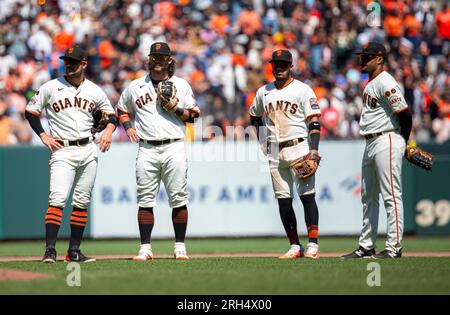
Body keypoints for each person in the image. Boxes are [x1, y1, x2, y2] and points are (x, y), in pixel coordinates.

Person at [25, 45, 118, 263]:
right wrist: (43, 135)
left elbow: (111, 116)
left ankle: (73, 252)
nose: (68, 65)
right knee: (57, 199)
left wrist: (109, 132)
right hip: (63, 149)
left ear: (84, 64)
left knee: (81, 201)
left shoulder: (94, 90)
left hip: (87, 148)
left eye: (73, 62)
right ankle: (50, 251)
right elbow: (30, 112)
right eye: (66, 61)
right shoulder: (51, 87)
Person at [116, 42, 200, 261]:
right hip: (147, 147)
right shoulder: (136, 86)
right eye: (155, 57)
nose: (158, 60)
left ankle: (179, 246)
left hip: (174, 145)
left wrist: (176, 109)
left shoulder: (181, 85)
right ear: (149, 59)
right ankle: (145, 248)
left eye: (162, 57)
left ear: (169, 60)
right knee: (145, 199)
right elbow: (121, 109)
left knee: (178, 197)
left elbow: (194, 115)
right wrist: (128, 127)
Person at [341, 42, 412, 259]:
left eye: (368, 57)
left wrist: (406, 143)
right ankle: (366, 245)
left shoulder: (386, 82)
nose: (363, 60)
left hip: (387, 138)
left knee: (391, 195)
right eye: (362, 56)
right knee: (368, 196)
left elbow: (405, 114)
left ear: (380, 58)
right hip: (371, 142)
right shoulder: (371, 82)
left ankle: (394, 247)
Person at [249, 49, 322, 259]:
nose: (279, 67)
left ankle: (313, 245)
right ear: (271, 66)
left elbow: (314, 122)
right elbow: (254, 115)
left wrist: (314, 150)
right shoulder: (264, 92)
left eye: (283, 64)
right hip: (274, 149)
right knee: (283, 200)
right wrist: (263, 140)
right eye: (276, 64)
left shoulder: (303, 90)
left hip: (299, 146)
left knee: (308, 196)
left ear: (291, 66)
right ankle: (295, 245)